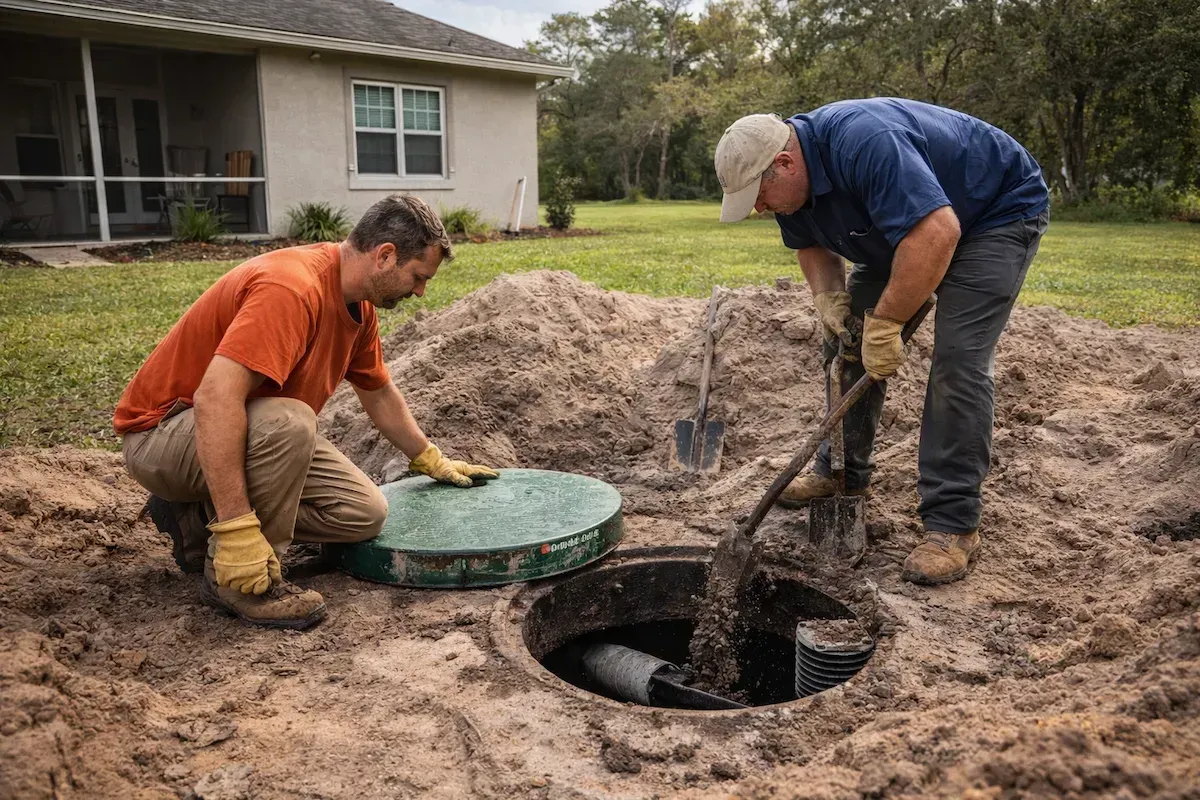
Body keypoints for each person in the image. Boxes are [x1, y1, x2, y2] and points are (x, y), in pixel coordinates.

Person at [114, 194, 497, 629]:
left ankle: (195, 518)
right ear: (385, 256)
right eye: (418, 276)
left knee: (362, 513)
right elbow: (215, 399)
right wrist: (240, 528)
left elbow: (378, 391)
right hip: (162, 436)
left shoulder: (358, 308)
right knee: (291, 422)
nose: (421, 290)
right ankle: (240, 582)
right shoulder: (291, 289)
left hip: (244, 431)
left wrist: (430, 457)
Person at [714, 98, 1049, 585]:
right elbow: (810, 242)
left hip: (990, 214)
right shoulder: (792, 179)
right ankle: (841, 473)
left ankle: (953, 525)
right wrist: (830, 300)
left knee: (958, 361)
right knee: (845, 342)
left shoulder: (866, 141)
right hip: (900, 231)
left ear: (783, 164)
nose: (760, 209)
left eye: (759, 196)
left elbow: (937, 231)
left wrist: (888, 323)